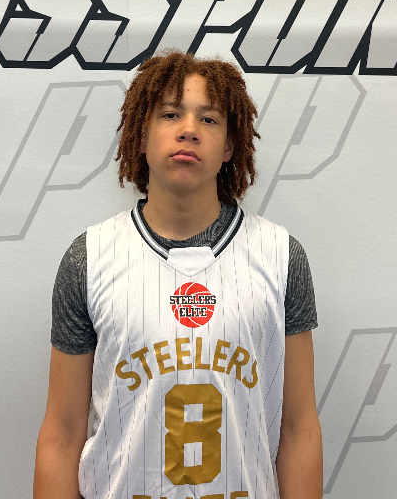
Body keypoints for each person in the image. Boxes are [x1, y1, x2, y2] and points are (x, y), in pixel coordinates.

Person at [34, 51, 322, 499]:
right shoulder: (88, 259)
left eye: (209, 119)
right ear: (141, 134)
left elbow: (299, 428)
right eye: (170, 114)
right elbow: (61, 434)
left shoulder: (281, 257)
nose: (188, 129)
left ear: (229, 147)